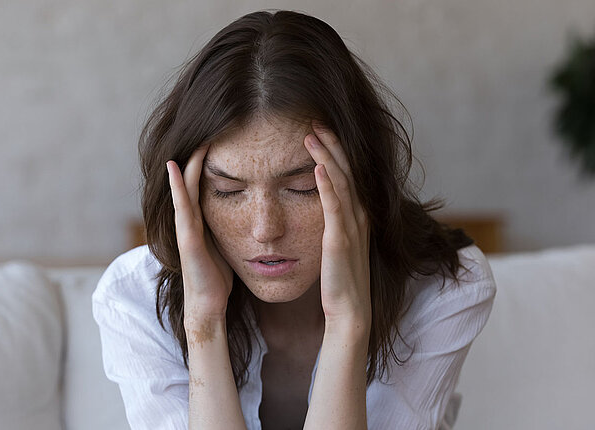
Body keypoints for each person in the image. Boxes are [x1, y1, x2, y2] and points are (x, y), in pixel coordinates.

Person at [92, 9, 496, 430]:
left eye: (303, 187)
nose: (265, 229)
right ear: (190, 196)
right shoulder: (134, 298)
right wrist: (204, 324)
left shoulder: (443, 288)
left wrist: (347, 324)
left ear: (361, 178)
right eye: (228, 192)